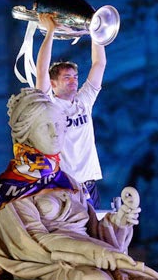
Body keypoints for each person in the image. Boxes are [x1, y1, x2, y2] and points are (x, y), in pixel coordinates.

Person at [0, 88, 158, 280]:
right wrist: (94, 252)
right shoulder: (13, 185)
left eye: (58, 124)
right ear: (26, 134)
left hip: (92, 257)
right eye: (45, 126)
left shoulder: (68, 180)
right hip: (51, 263)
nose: (54, 132)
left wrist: (119, 221)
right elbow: (31, 242)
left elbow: (93, 230)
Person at [35, 13, 106, 208]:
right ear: (53, 83)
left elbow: (99, 64)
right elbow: (41, 71)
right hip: (64, 187)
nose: (74, 81)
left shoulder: (84, 101)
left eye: (75, 77)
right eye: (67, 77)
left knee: (97, 237)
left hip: (89, 184)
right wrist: (50, 32)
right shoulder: (49, 104)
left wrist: (96, 29)